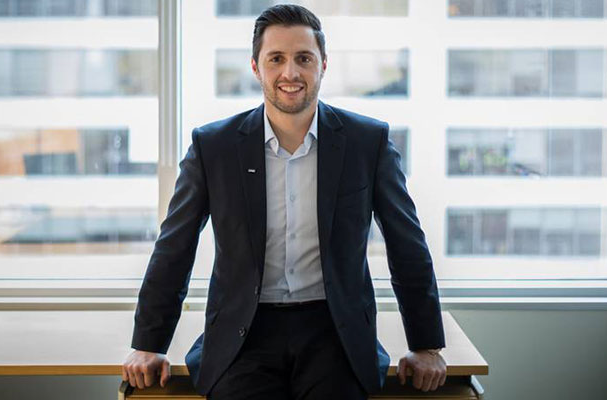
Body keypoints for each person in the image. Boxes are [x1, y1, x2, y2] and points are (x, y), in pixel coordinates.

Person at [122, 4, 446, 399]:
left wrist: (426, 344)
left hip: (335, 333)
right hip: (244, 335)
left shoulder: (368, 143)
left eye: (303, 59)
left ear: (322, 65)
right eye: (276, 58)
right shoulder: (214, 147)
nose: (290, 73)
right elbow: (175, 246)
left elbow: (406, 244)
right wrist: (149, 343)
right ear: (257, 67)